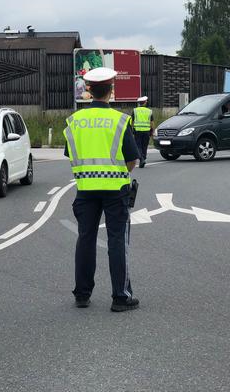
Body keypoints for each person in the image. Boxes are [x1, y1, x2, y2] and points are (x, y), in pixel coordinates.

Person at [63, 67, 141, 312]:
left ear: (89, 90)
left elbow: (70, 154)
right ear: (111, 90)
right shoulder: (119, 120)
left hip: (85, 190)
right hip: (115, 189)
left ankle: (82, 294)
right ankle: (120, 296)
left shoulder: (74, 121)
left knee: (85, 239)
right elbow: (132, 160)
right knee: (117, 241)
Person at [131, 96, 154, 168]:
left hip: (137, 131)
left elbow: (131, 121)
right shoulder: (149, 111)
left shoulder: (135, 110)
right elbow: (152, 122)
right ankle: (143, 158)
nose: (147, 102)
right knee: (144, 146)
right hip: (146, 131)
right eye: (146, 101)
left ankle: (141, 159)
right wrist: (152, 131)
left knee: (138, 146)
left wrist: (131, 129)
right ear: (144, 103)